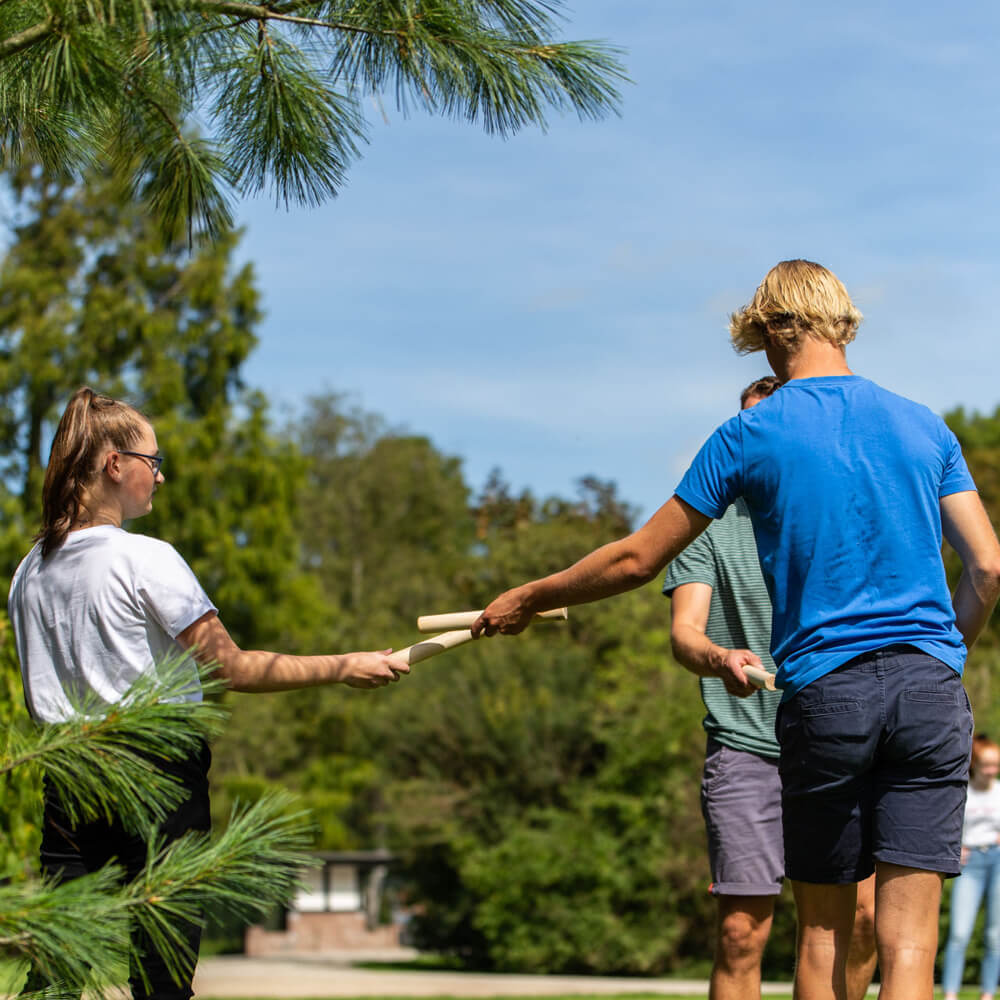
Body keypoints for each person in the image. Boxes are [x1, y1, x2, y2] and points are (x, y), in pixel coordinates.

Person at [472, 259, 1000, 999]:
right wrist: (942, 658)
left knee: (822, 934)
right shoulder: (924, 424)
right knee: (908, 940)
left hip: (830, 692)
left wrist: (532, 595)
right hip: (930, 692)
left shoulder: (751, 432)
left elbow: (636, 559)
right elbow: (989, 568)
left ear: (773, 329)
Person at [8, 387, 407, 1000]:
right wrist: (345, 665)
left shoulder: (29, 571)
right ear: (115, 465)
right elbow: (232, 668)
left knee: (57, 975)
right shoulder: (144, 558)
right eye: (153, 461)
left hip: (68, 780)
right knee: (162, 981)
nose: (160, 476)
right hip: (157, 777)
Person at [663, 374, 877, 1000]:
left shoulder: (839, 516)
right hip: (746, 745)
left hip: (839, 740)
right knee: (741, 933)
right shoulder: (705, 526)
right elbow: (685, 634)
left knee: (862, 922)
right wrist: (719, 656)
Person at [942, 733, 1000, 1000]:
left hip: (997, 860)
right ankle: (950, 994)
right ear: (974, 763)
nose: (992, 770)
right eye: (987, 764)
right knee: (959, 933)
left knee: (995, 935)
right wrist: (958, 847)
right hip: (970, 864)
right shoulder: (962, 790)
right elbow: (948, 826)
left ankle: (988, 994)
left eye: (996, 765)